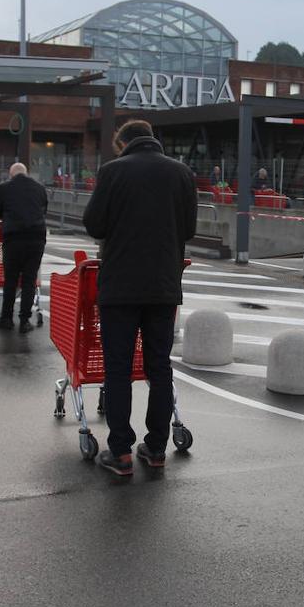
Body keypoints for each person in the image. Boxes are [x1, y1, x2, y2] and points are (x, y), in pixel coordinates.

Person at [83, 119, 196, 475]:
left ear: (123, 143)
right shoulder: (181, 174)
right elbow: (189, 229)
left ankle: (120, 452)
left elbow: (94, 224)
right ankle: (157, 447)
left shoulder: (113, 171)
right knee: (159, 367)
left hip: (120, 288)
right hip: (163, 286)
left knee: (117, 368)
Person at [0, 162, 48, 332]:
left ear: (11, 174)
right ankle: (25, 321)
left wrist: (6, 214)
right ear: (26, 173)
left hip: (13, 239)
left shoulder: (4, 188)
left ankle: (6, 318)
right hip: (36, 238)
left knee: (11, 279)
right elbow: (43, 209)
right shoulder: (39, 188)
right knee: (29, 280)